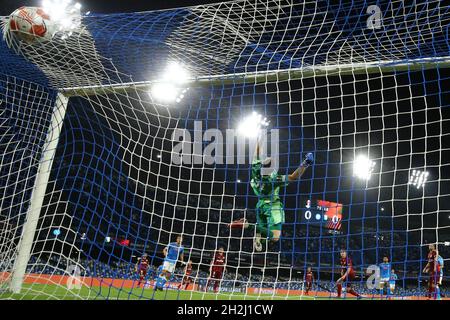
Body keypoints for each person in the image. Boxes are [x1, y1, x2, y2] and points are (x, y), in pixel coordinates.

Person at [228, 136, 313, 251]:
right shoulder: (274, 180)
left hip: (260, 205)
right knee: (275, 237)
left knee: (265, 234)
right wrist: (306, 163)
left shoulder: (256, 171)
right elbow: (294, 176)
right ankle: (247, 225)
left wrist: (261, 138)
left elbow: (257, 152)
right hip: (273, 206)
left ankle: (256, 235)